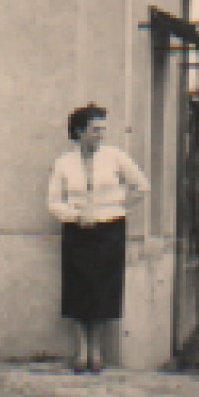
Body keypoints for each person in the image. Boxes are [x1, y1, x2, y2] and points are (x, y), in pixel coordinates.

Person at [47, 103, 149, 373]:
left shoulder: (116, 157)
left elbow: (141, 186)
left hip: (109, 232)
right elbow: (54, 202)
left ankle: (97, 351)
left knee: (103, 289)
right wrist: (74, 215)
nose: (100, 135)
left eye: (103, 129)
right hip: (77, 231)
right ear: (79, 131)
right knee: (79, 289)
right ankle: (81, 350)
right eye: (95, 130)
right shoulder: (64, 162)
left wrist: (119, 209)